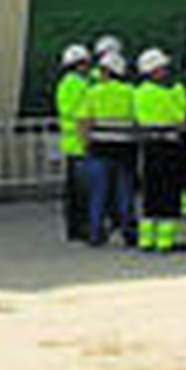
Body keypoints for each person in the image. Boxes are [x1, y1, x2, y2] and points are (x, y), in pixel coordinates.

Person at [78, 47, 138, 247]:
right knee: (124, 194)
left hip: (99, 149)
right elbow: (138, 119)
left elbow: (84, 121)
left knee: (98, 194)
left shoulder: (92, 92)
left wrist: (84, 144)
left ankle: (95, 233)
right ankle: (129, 232)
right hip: (125, 149)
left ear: (105, 72)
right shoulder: (130, 92)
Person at [133, 48, 186, 253]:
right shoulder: (168, 93)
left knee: (150, 193)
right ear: (154, 70)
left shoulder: (138, 93)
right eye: (163, 68)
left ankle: (146, 239)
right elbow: (180, 116)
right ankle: (166, 241)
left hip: (148, 147)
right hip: (169, 146)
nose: (166, 71)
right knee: (169, 193)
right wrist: (179, 94)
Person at [54, 44, 92, 242]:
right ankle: (80, 227)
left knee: (74, 191)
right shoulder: (78, 85)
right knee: (81, 192)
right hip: (80, 142)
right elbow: (81, 114)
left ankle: (75, 228)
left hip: (72, 142)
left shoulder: (67, 84)